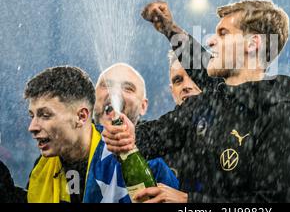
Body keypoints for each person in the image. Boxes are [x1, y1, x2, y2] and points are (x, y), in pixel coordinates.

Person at [103, 0, 290, 203]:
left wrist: (189, 202)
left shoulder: (281, 116)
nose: (210, 41)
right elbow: (156, 134)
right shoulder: (207, 103)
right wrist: (128, 134)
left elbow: (267, 205)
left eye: (223, 34)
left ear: (252, 44)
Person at [25, 66, 177, 203]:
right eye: (106, 85)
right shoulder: (42, 168)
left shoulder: (150, 159)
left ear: (82, 116)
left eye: (45, 115)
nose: (32, 127)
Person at [93, 62, 179, 189]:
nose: (114, 93)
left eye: (127, 88)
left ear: (143, 106)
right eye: (107, 85)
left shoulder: (161, 156)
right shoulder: (66, 145)